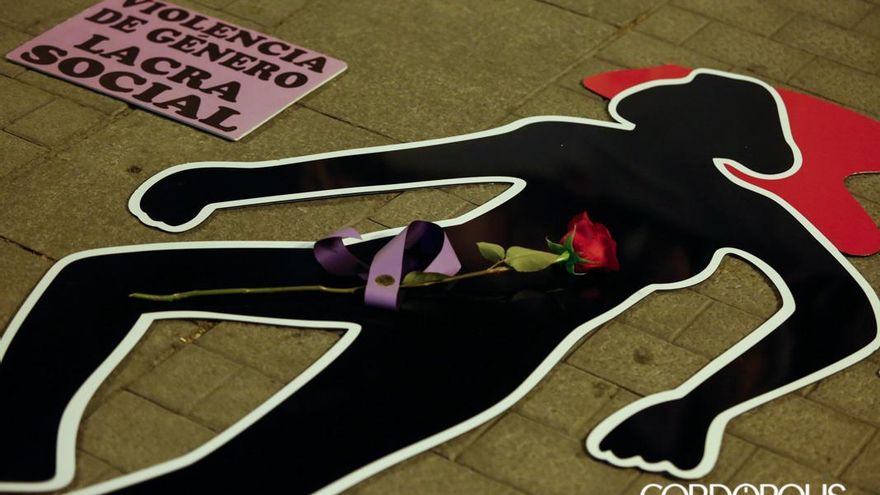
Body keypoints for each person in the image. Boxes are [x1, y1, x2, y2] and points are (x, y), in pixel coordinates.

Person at [0, 69, 876, 494]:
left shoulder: (722, 204)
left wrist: (697, 406)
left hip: (439, 318)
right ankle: (18, 446)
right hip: (405, 284)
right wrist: (227, 184)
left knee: (249, 465)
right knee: (105, 283)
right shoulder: (691, 188)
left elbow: (844, 315)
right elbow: (406, 162)